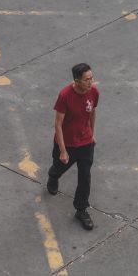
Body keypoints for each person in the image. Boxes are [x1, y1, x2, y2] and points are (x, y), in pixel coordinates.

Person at [46, 62, 100, 232]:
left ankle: (81, 209)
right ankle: (53, 176)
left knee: (85, 176)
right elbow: (58, 124)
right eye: (87, 80)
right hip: (67, 144)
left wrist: (92, 134)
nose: (91, 82)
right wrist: (62, 150)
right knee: (58, 168)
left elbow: (92, 113)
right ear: (76, 81)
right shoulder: (65, 96)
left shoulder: (94, 92)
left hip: (85, 143)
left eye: (92, 78)